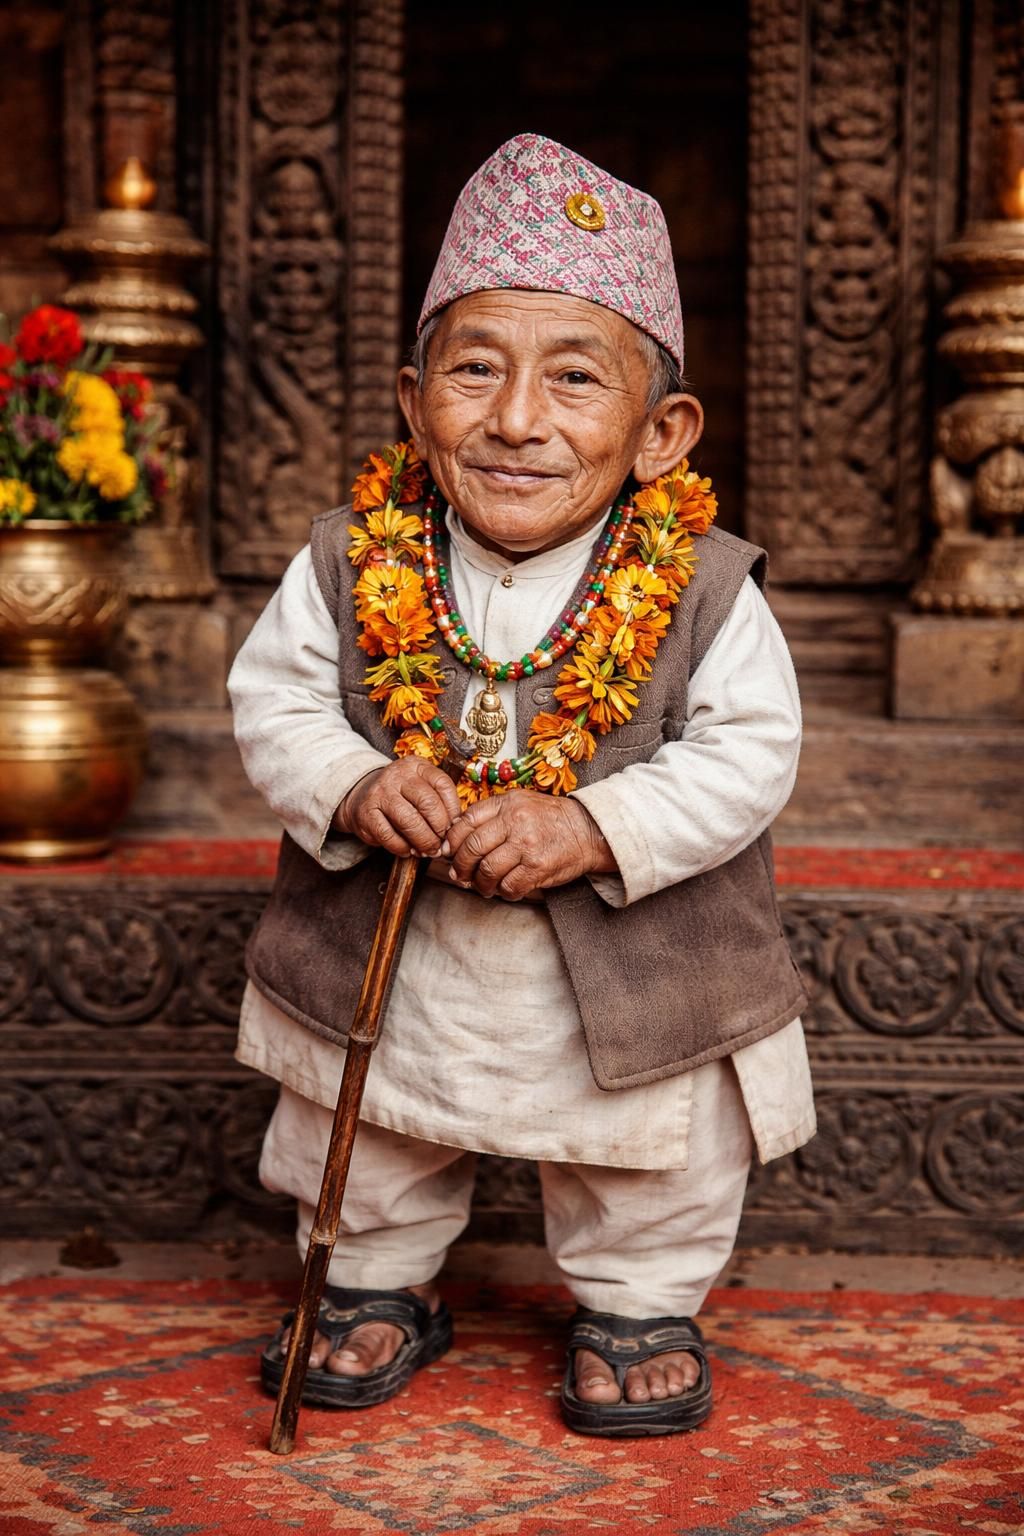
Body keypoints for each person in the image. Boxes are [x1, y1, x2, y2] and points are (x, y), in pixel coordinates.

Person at [228, 132, 815, 1439]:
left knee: (650, 1146)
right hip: (400, 951)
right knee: (371, 1129)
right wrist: (352, 786)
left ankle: (639, 1303)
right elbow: (273, 702)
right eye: (476, 368)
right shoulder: (346, 560)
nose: (515, 420)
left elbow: (750, 752)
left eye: (575, 378)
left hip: (634, 964)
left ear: (661, 434)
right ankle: (374, 1279)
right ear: (412, 399)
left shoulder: (709, 586)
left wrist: (600, 822)